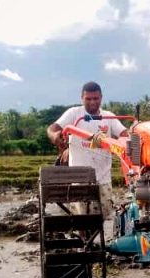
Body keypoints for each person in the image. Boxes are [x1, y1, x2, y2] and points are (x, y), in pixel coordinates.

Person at [46, 81, 128, 221]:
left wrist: (125, 141)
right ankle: (86, 240)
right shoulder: (74, 114)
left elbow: (124, 134)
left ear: (101, 97)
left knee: (104, 214)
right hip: (79, 178)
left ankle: (94, 240)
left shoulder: (108, 117)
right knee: (80, 217)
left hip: (102, 177)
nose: (92, 102)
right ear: (82, 98)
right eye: (88, 99)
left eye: (95, 98)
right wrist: (55, 136)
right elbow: (52, 129)